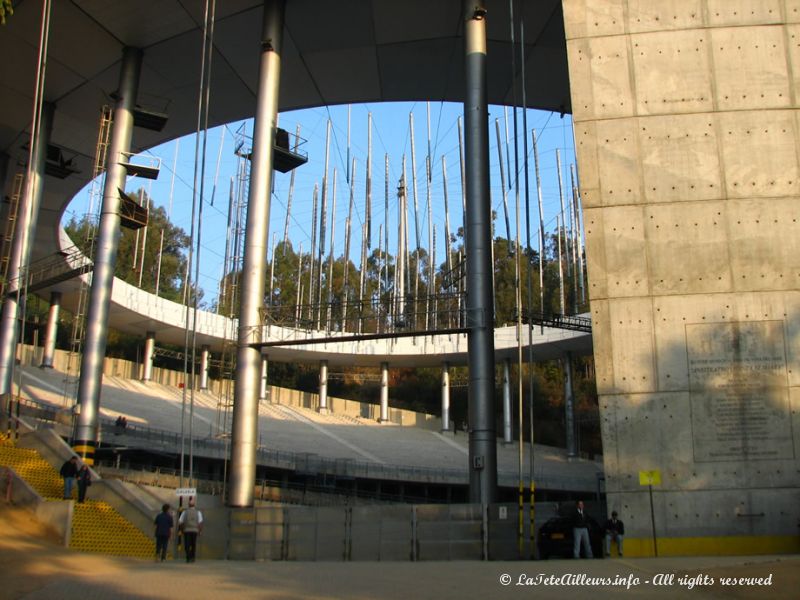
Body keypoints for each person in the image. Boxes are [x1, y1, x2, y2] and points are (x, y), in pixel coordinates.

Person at [178, 498, 203, 563]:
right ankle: (193, 557)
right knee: (193, 544)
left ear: (188, 505)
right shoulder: (198, 512)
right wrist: (200, 531)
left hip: (187, 530)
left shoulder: (184, 512)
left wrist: (182, 529)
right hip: (195, 530)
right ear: (194, 505)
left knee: (187, 544)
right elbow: (200, 523)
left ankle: (188, 557)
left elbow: (180, 522)